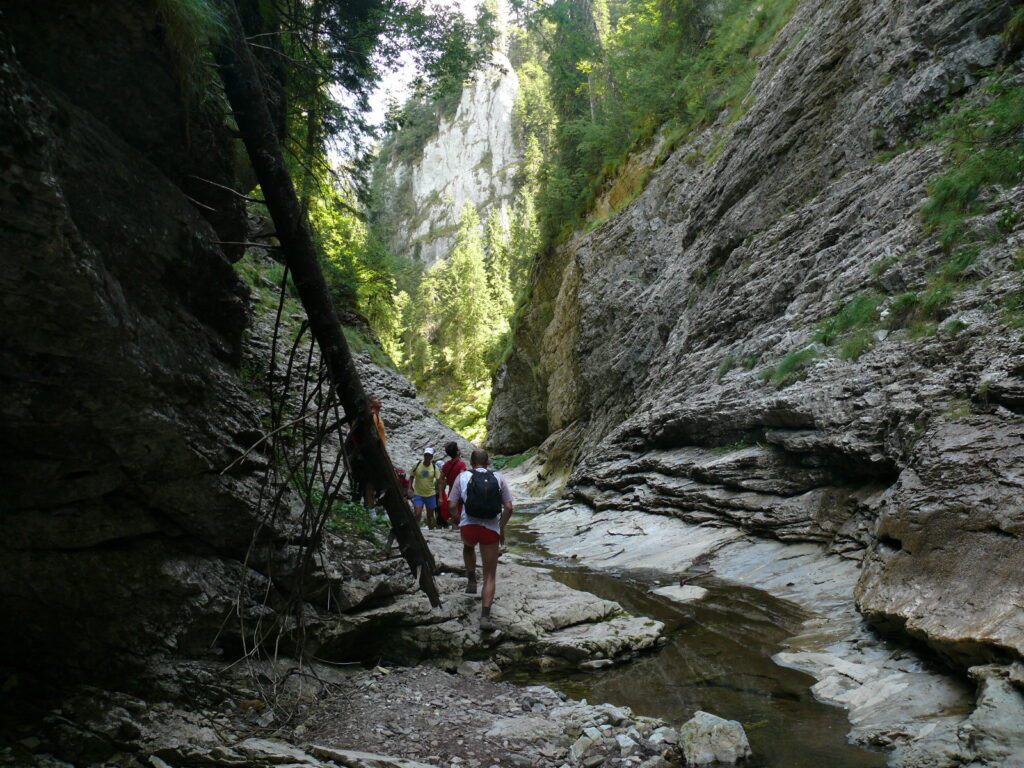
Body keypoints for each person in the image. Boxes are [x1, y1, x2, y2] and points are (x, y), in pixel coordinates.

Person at [448, 449, 513, 632]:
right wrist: (501, 526)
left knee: (468, 547)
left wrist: (457, 519)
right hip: (490, 530)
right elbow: (508, 507)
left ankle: (471, 580)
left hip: (469, 527)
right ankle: (485, 617)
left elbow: (451, 504)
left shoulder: (462, 477)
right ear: (488, 462)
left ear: (471, 462)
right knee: (490, 575)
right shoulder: (498, 477)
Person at [346, 393, 388, 508]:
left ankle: (369, 506)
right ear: (370, 403)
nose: (379, 400)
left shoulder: (377, 417)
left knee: (367, 483)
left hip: (376, 452)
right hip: (369, 454)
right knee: (363, 482)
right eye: (376, 398)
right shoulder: (371, 417)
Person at [409, 447, 441, 528]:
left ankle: (431, 531)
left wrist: (440, 496)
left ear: (432, 457)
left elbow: (440, 481)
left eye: (429, 455)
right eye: (426, 455)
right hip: (418, 494)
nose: (427, 456)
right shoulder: (417, 465)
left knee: (430, 516)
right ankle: (417, 530)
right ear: (424, 455)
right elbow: (411, 476)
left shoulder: (434, 467)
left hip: (431, 495)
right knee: (417, 514)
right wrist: (409, 487)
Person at [438, 442, 466, 530]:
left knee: (454, 515)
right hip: (460, 494)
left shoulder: (446, 465)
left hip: (451, 493)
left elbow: (440, 480)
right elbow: (462, 479)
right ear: (457, 452)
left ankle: (455, 530)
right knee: (461, 514)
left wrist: (440, 496)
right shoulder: (461, 464)